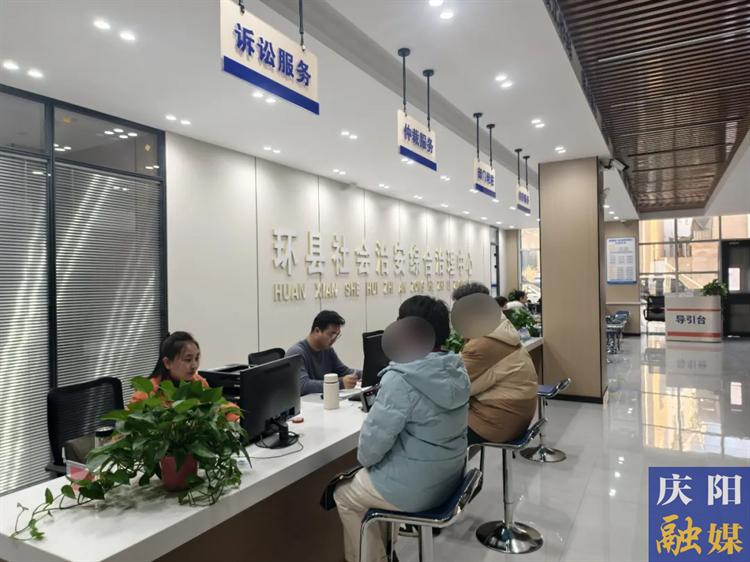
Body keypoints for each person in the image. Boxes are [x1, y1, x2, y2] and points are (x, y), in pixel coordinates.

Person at [334, 295, 469, 562]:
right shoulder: (456, 368)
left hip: (419, 489)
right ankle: (387, 549)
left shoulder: (401, 378)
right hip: (451, 477)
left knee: (344, 494)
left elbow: (368, 452)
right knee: (382, 477)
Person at [452, 282, 537, 445]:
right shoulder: (500, 327)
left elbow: (454, 386)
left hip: (498, 422)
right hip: (518, 414)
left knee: (430, 428)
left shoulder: (482, 342)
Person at [131, 332, 239, 422]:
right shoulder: (147, 393)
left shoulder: (198, 382)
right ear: (167, 363)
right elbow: (127, 429)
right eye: (188, 360)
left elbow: (222, 406)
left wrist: (233, 419)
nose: (194, 365)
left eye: (196, 358)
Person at [287, 310, 362, 396]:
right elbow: (303, 386)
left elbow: (344, 371)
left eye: (337, 335)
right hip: (306, 403)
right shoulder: (296, 353)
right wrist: (340, 384)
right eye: (331, 334)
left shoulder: (328, 350)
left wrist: (366, 373)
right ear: (317, 331)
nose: (334, 339)